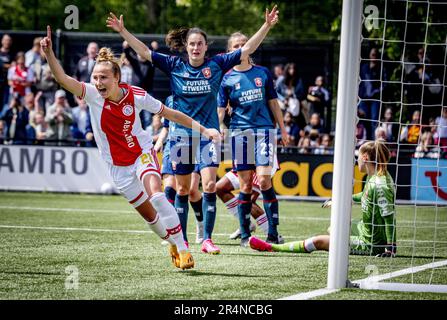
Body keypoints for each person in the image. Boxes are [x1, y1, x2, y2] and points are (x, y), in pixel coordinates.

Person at [40, 26, 221, 270]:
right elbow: (62, 79)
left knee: (157, 195)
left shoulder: (135, 94)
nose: (97, 82)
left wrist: (204, 129)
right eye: (95, 77)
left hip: (141, 154)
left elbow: (172, 114)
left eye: (103, 77)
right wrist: (50, 54)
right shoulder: (92, 95)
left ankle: (185, 249)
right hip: (117, 167)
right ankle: (172, 242)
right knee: (152, 220)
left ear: (117, 78)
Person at [107, 6, 279, 254]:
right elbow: (144, 52)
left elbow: (247, 49)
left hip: (208, 136)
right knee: (183, 190)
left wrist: (266, 26)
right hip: (180, 138)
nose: (196, 48)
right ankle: (183, 240)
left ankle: (207, 240)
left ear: (206, 47)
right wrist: (123, 31)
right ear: (186, 46)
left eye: (200, 44)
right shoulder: (175, 65)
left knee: (209, 186)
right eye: (192, 44)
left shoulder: (218, 64)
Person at [249, 140, 397, 258]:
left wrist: (390, 247)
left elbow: (389, 218)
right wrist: (340, 199)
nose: (356, 160)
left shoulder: (380, 185)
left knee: (318, 241)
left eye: (358, 156)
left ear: (365, 157)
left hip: (371, 242)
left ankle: (272, 247)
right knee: (334, 228)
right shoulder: (375, 177)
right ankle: (341, 242)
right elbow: (364, 196)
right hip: (365, 228)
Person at [217, 31, 288, 246]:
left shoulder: (263, 73)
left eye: (243, 44)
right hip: (240, 134)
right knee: (245, 185)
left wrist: (283, 130)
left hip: (264, 132)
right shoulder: (226, 79)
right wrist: (218, 128)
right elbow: (220, 110)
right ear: (230, 52)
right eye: (235, 46)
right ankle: (246, 234)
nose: (240, 48)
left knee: (264, 180)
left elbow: (274, 103)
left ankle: (273, 233)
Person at [153, 96, 204, 245]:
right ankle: (174, 233)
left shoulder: (196, 96)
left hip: (192, 143)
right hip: (172, 146)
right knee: (169, 189)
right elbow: (167, 127)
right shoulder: (169, 100)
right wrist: (159, 142)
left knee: (192, 191)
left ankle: (201, 225)